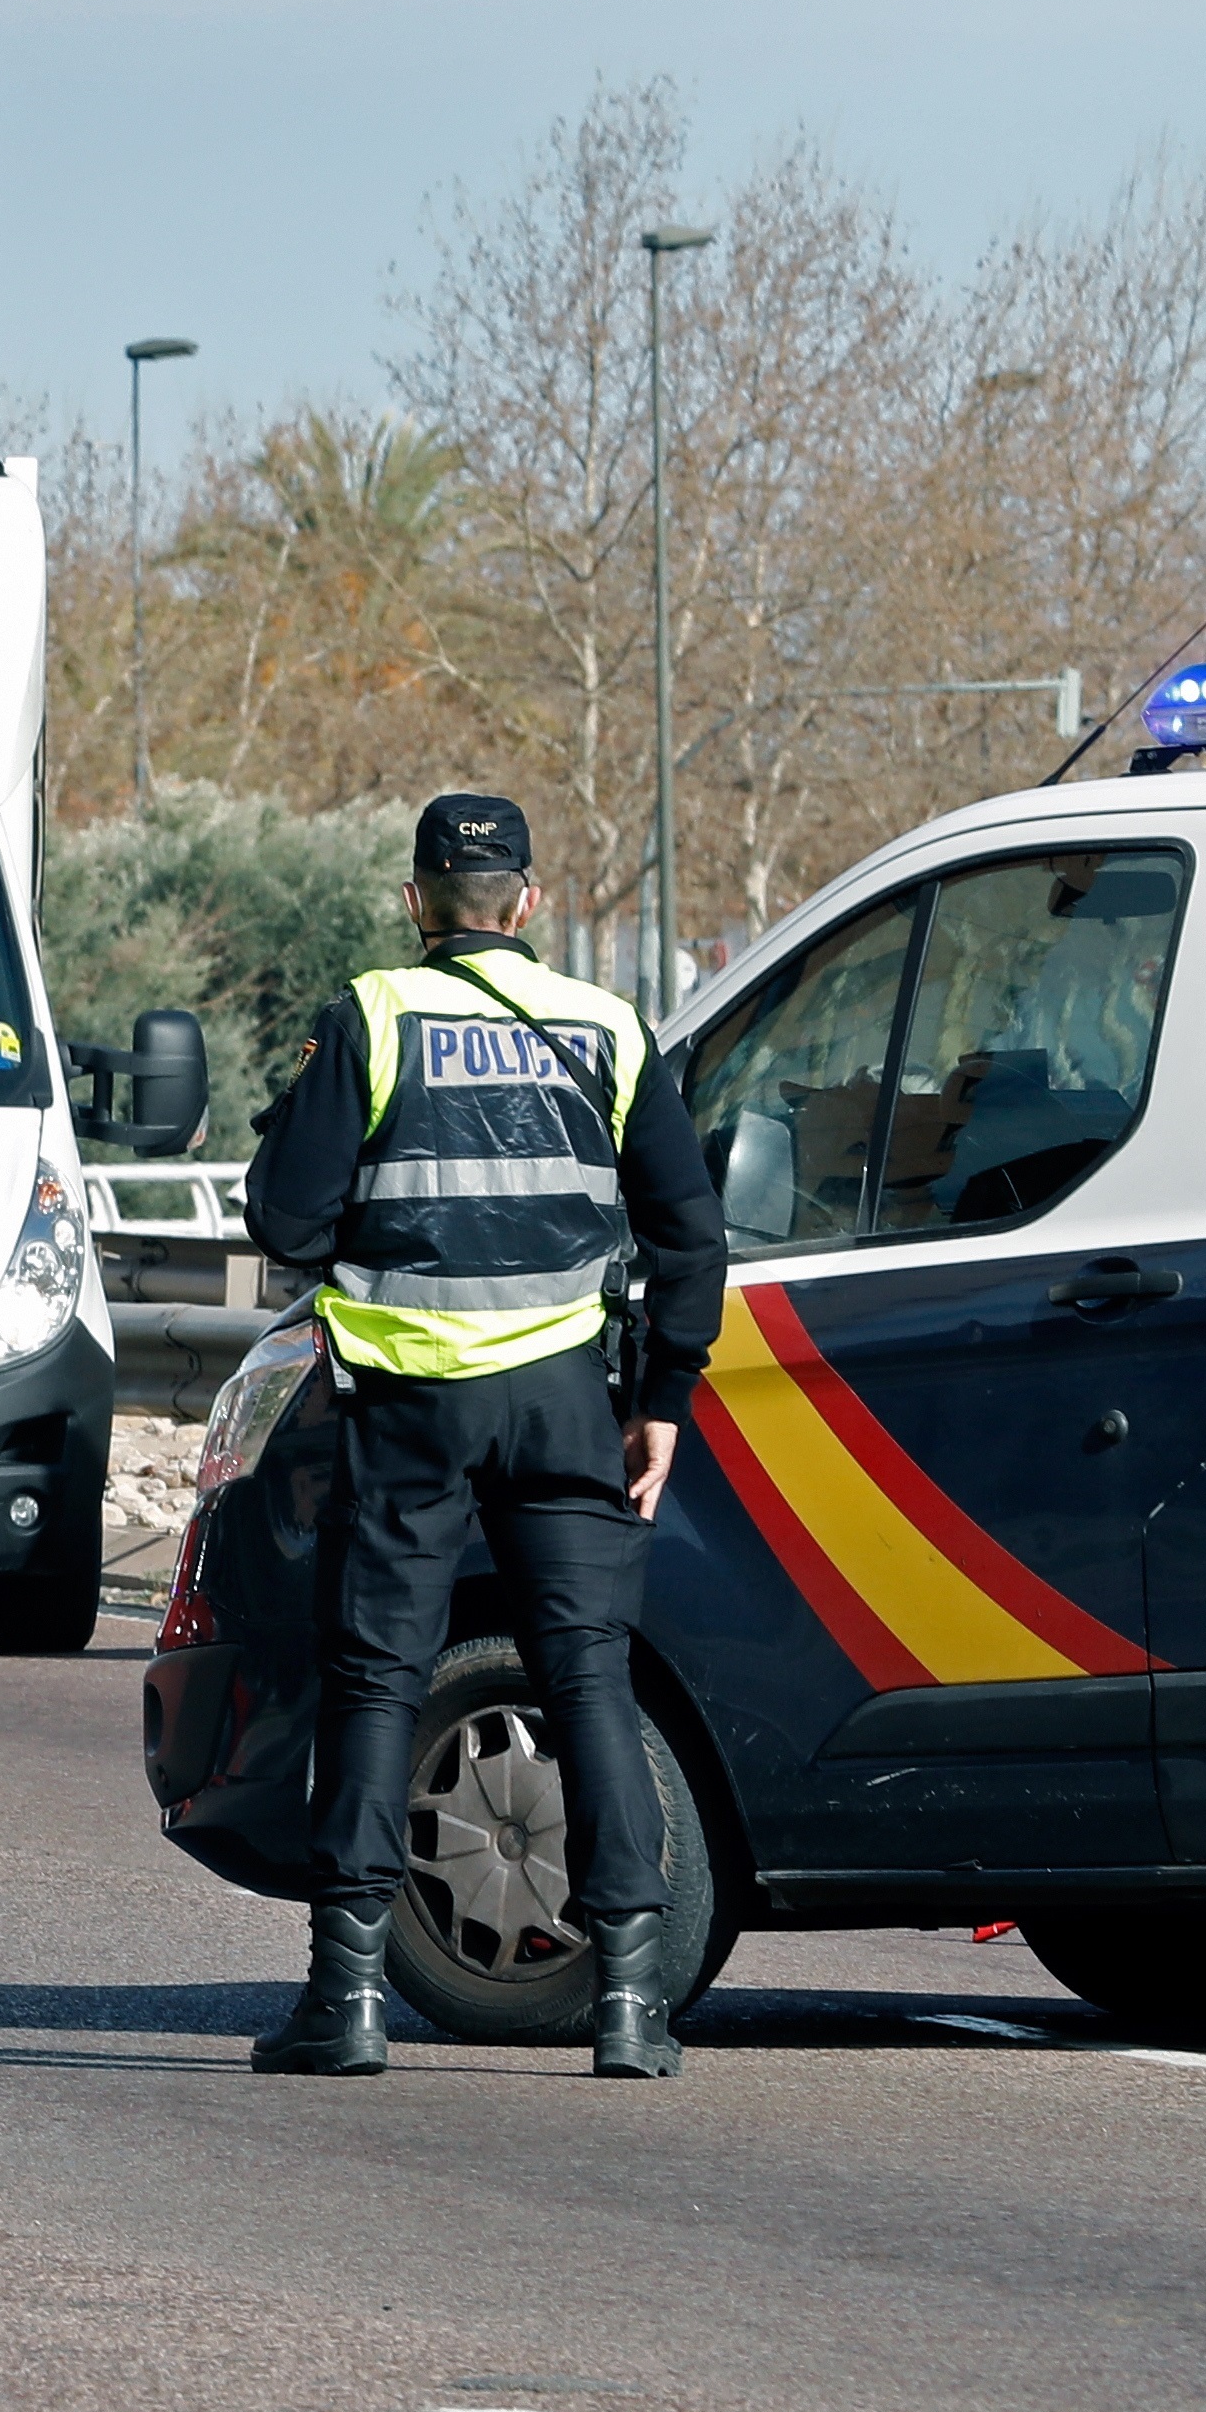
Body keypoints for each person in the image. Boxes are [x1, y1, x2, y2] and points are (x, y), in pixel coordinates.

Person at [237, 797, 725, 2078]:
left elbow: (285, 1225)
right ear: (528, 901)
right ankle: (629, 2003)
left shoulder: (375, 1017)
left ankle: (344, 2002)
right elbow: (691, 1232)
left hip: (405, 1408)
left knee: (377, 1678)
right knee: (588, 1679)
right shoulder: (608, 1029)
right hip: (566, 1399)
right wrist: (663, 1396)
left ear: (416, 902)